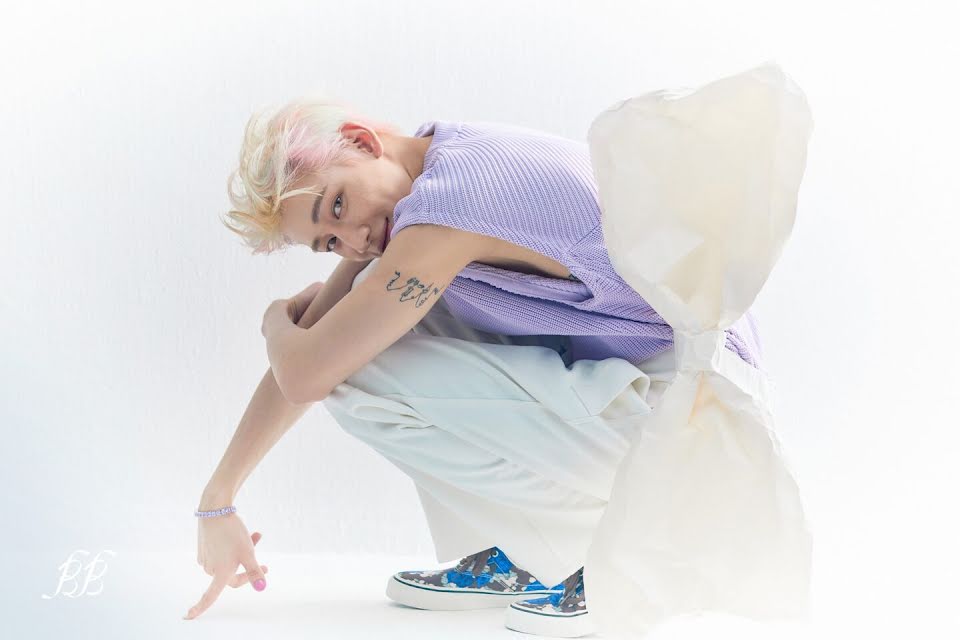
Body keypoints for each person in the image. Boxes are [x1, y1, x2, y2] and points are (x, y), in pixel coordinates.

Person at [184, 95, 768, 637]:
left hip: (695, 414)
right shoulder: (435, 163)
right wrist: (220, 496)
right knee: (368, 325)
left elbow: (306, 374)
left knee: (356, 370)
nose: (353, 240)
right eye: (328, 243)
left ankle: (625, 558)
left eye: (336, 205)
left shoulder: (450, 209)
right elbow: (314, 339)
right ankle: (525, 554)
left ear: (362, 142)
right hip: (662, 389)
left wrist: (273, 322)